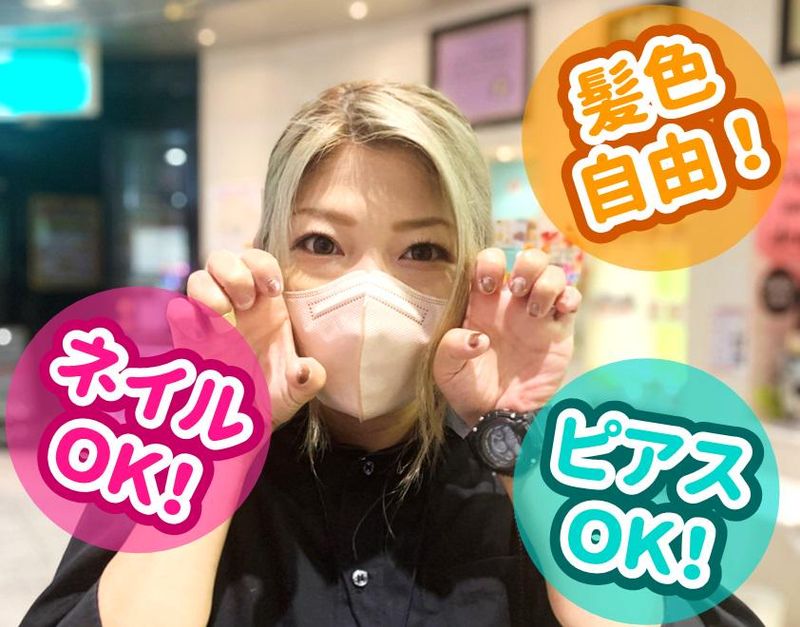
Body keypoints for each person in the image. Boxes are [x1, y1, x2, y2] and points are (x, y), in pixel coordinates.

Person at [20, 81, 755, 627]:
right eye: (321, 243)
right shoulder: (173, 466)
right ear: (268, 256)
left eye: (423, 251)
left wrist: (517, 439)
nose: (370, 293)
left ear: (473, 272)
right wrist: (220, 429)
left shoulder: (552, 479)